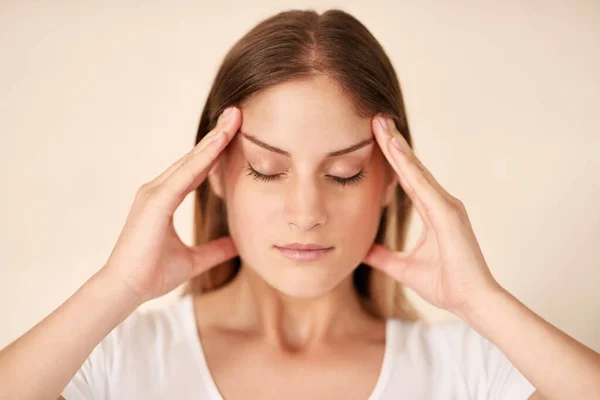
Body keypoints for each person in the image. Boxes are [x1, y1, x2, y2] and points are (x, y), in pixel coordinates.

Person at [1, 8, 598, 400]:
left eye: (344, 173)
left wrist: (481, 301)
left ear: (393, 179)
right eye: (267, 169)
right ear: (211, 171)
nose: (306, 210)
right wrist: (115, 288)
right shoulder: (117, 361)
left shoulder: (465, 372)